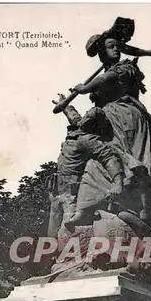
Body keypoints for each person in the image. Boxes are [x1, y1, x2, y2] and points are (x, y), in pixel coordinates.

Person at [70, 23, 151, 224]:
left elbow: (108, 77)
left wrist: (84, 88)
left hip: (128, 117)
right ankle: (108, 205)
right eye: (110, 47)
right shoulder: (109, 72)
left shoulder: (125, 67)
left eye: (117, 46)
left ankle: (141, 210)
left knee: (134, 160)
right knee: (105, 158)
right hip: (108, 121)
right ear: (103, 53)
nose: (116, 49)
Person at [47, 94, 124, 237]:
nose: (86, 115)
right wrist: (64, 103)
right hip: (59, 190)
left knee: (68, 231)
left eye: (89, 116)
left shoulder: (89, 140)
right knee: (52, 232)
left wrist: (118, 183)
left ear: (92, 124)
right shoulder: (79, 127)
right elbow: (73, 115)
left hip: (72, 192)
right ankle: (51, 256)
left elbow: (109, 158)